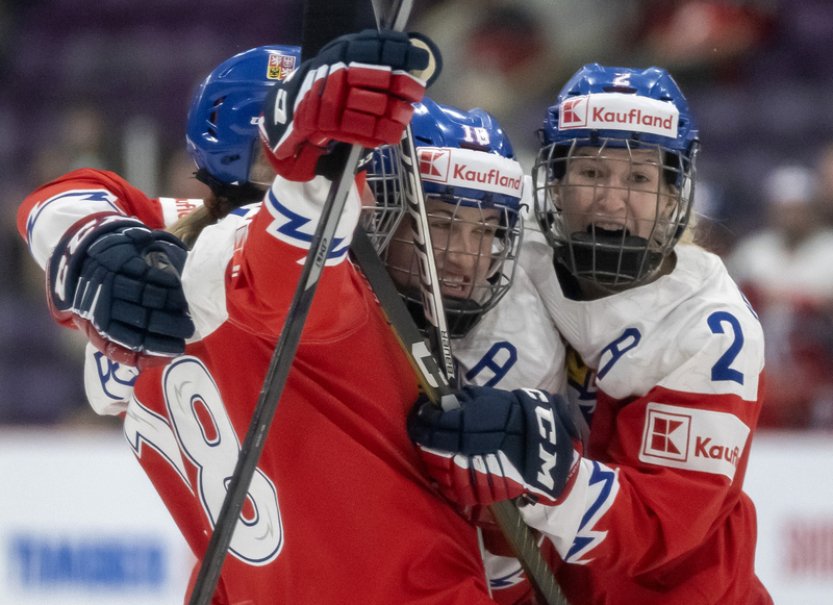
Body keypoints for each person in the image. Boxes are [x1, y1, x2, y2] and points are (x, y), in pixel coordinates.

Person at [19, 30, 521, 604]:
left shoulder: (169, 249)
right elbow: (286, 257)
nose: (373, 195)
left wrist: (83, 240)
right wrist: (322, 154)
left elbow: (69, 195)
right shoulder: (258, 259)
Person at [408, 63, 773, 604]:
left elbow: (661, 529)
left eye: (640, 178)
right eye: (591, 173)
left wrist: (538, 462)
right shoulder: (509, 239)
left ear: (674, 197)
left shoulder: (711, 331)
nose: (610, 200)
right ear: (552, 181)